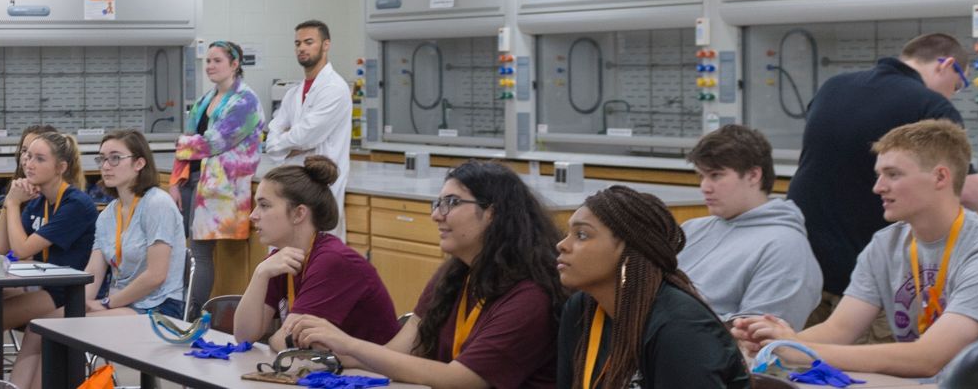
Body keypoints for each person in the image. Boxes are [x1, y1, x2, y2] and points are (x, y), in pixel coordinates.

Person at [734, 120, 978, 377]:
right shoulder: (885, 245)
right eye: (879, 175)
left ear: (941, 177)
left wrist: (798, 350)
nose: (878, 187)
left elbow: (927, 359)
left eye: (893, 175)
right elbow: (839, 329)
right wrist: (774, 342)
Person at [788, 33, 978, 316]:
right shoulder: (930, 105)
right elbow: (962, 186)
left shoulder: (833, 86)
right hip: (865, 272)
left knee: (811, 354)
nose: (952, 94)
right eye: (957, 85)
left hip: (805, 263)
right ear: (946, 65)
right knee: (871, 356)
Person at [284, 160, 564, 388]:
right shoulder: (455, 276)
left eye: (452, 203)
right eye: (438, 203)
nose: (436, 215)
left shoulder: (529, 297)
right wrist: (337, 355)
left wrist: (349, 343)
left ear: (492, 212)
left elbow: (462, 379)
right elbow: (400, 352)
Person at [9, 130, 187, 389]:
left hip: (158, 309)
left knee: (60, 332)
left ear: (139, 163)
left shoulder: (157, 204)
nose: (106, 166)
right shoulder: (108, 214)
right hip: (118, 305)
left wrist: (105, 302)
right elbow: (93, 274)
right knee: (40, 327)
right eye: (102, 159)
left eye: (115, 158)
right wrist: (82, 303)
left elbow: (155, 276)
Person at [555, 186, 750, 388]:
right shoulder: (582, 309)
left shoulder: (681, 327)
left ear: (628, 248)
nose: (562, 245)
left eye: (582, 235)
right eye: (568, 234)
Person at [234, 156, 398, 350]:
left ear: (298, 214)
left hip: (378, 377)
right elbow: (244, 335)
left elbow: (285, 343)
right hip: (332, 372)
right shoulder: (280, 260)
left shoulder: (334, 261)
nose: (253, 215)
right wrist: (260, 273)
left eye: (264, 205)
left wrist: (272, 339)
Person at [677, 125, 823, 326]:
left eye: (716, 175)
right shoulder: (692, 229)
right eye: (701, 176)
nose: (704, 187)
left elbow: (754, 343)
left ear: (754, 175)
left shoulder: (784, 248)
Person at [177, 40, 265, 314]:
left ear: (235, 64)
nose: (210, 66)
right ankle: (184, 305)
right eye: (208, 61)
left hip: (221, 187)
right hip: (194, 181)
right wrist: (176, 181)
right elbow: (193, 138)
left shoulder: (245, 101)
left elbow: (212, 142)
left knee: (201, 253)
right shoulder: (207, 99)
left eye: (217, 61)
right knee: (187, 249)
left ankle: (192, 313)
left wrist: (182, 144)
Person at [0, 132, 98, 328]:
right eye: (28, 156)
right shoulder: (38, 201)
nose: (29, 164)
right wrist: (9, 201)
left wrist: (15, 204)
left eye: (39, 159)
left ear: (61, 167)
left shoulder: (76, 204)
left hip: (64, 292)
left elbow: (21, 250)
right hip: (36, 283)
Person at [264, 20, 353, 237]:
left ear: (325, 45)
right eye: (297, 43)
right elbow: (272, 140)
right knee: (285, 257)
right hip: (292, 185)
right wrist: (287, 145)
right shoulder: (293, 92)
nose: (302, 48)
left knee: (318, 256)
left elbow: (306, 137)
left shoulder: (335, 89)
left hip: (321, 186)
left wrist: (285, 142)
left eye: (309, 42)